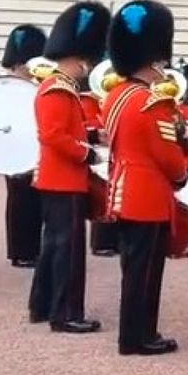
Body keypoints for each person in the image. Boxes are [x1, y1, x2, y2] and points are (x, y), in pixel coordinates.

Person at [102, 0, 188, 356]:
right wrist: (182, 177)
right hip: (147, 195)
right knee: (145, 272)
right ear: (153, 61)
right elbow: (167, 156)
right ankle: (139, 337)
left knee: (133, 269)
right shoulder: (150, 103)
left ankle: (134, 334)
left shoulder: (115, 96)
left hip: (123, 187)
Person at [29, 1, 110, 334]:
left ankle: (44, 305)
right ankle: (65, 314)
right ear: (78, 60)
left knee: (54, 247)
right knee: (68, 251)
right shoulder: (57, 89)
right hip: (63, 180)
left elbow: (67, 130)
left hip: (60, 180)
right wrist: (88, 154)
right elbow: (52, 135)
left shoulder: (63, 90)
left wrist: (91, 133)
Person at [0, 24, 48, 268]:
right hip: (14, 147)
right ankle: (21, 251)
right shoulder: (5, 86)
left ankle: (31, 248)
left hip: (36, 147)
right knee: (20, 200)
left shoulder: (38, 85)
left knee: (36, 200)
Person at [80, 80, 119, 258]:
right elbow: (87, 124)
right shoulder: (89, 100)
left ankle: (114, 239)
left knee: (116, 194)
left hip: (115, 151)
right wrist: (98, 132)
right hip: (99, 151)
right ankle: (101, 242)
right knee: (103, 195)